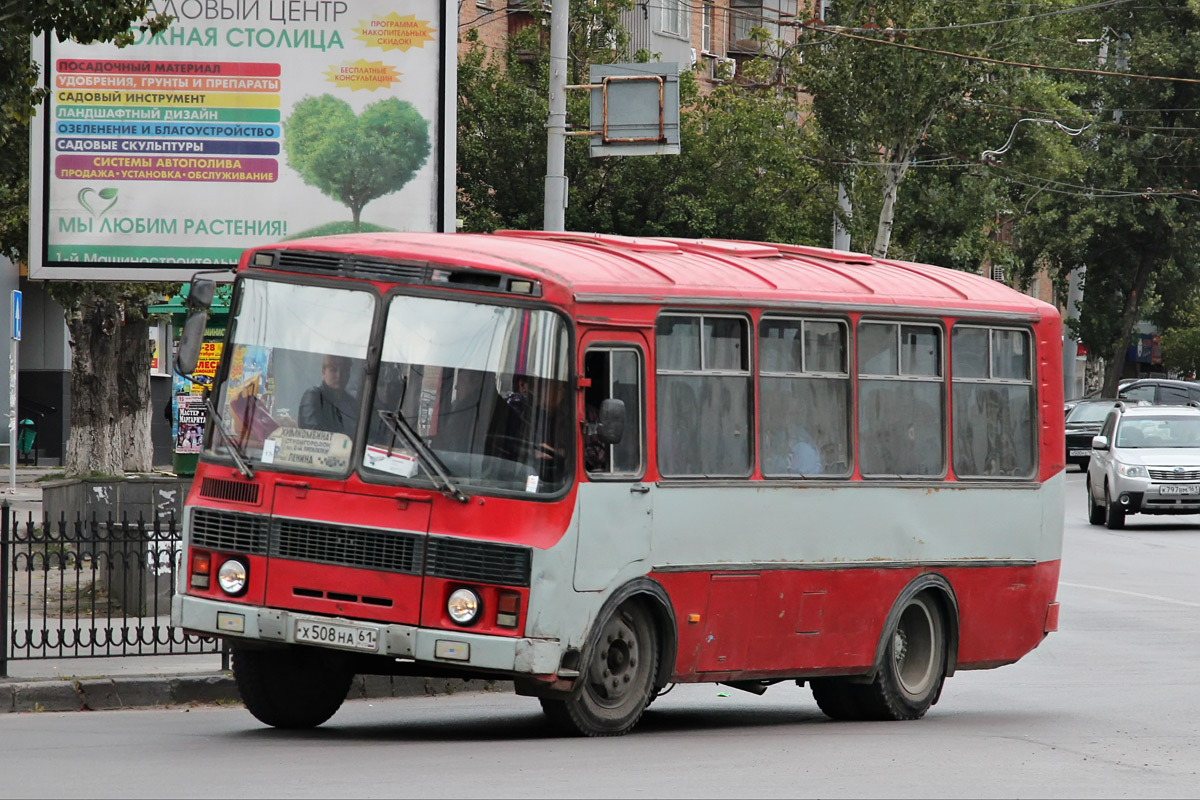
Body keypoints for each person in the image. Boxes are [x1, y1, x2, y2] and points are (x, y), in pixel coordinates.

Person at [299, 354, 358, 435]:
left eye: (344, 370)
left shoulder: (352, 403)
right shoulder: (313, 396)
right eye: (333, 370)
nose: (339, 375)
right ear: (323, 371)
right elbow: (312, 433)